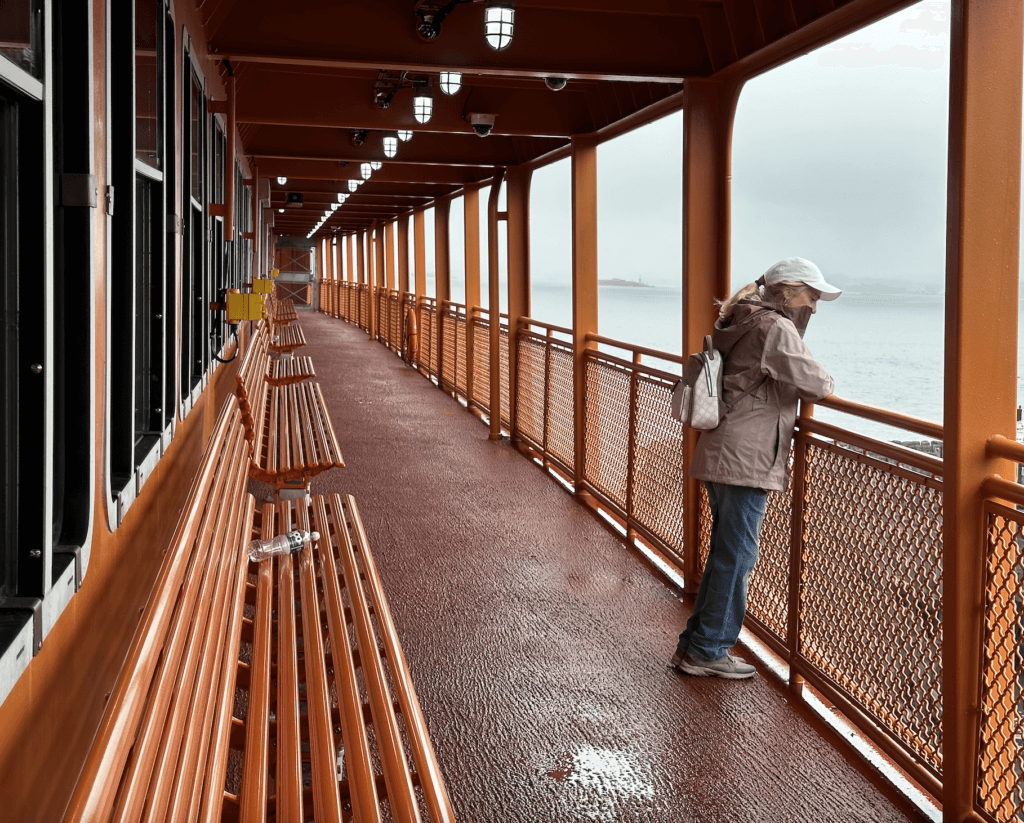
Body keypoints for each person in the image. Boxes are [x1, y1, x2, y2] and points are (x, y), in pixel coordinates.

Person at [670, 257, 840, 680]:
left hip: (723, 449)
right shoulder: (774, 328)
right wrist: (827, 378)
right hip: (745, 458)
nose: (815, 307)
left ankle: (695, 644)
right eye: (812, 296)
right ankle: (707, 650)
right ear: (787, 292)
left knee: (726, 552)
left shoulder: (743, 318)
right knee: (738, 555)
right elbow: (816, 384)